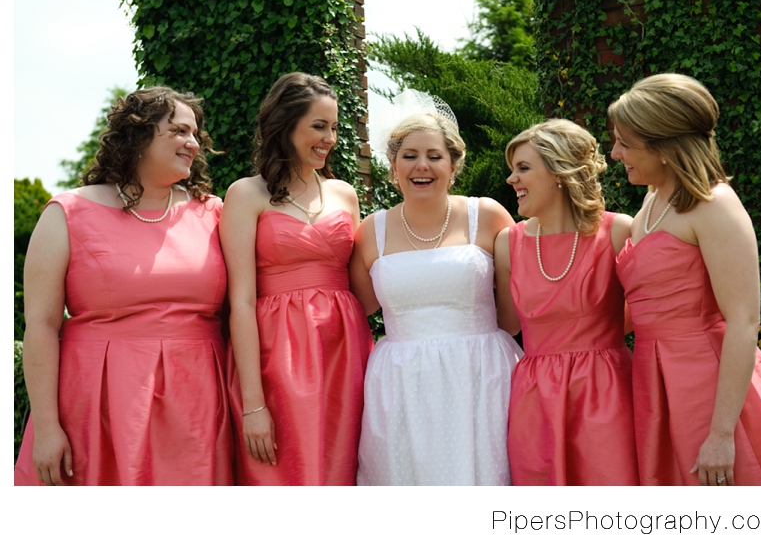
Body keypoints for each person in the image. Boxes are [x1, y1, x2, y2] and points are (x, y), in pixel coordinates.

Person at [14, 87, 233, 485]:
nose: (193, 142)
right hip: (98, 404)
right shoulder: (67, 212)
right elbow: (42, 326)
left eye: (196, 134)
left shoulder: (214, 213)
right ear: (140, 134)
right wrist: (46, 426)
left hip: (199, 404)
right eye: (180, 130)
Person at [609, 73, 761, 486]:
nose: (616, 154)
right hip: (656, 383)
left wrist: (722, 434)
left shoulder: (713, 204)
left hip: (708, 384)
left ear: (666, 148)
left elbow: (744, 319)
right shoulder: (652, 199)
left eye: (626, 144)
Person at [351, 91, 522, 485]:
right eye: (409, 156)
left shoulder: (489, 216)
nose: (421, 166)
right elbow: (358, 309)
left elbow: (514, 312)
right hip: (400, 383)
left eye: (434, 155)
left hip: (482, 377)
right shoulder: (369, 232)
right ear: (392, 166)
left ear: (453, 164)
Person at [220, 72, 372, 485]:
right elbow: (240, 302)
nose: (331, 138)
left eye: (335, 127)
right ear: (286, 126)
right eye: (319, 126)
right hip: (277, 356)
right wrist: (253, 403)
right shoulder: (245, 194)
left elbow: (362, 287)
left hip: (346, 352)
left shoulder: (344, 194)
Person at [494, 119, 638, 486]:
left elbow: (647, 309)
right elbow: (507, 325)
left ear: (559, 172)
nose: (512, 179)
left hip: (606, 390)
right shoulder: (508, 243)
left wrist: (591, 341)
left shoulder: (619, 230)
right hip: (535, 397)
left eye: (523, 168)